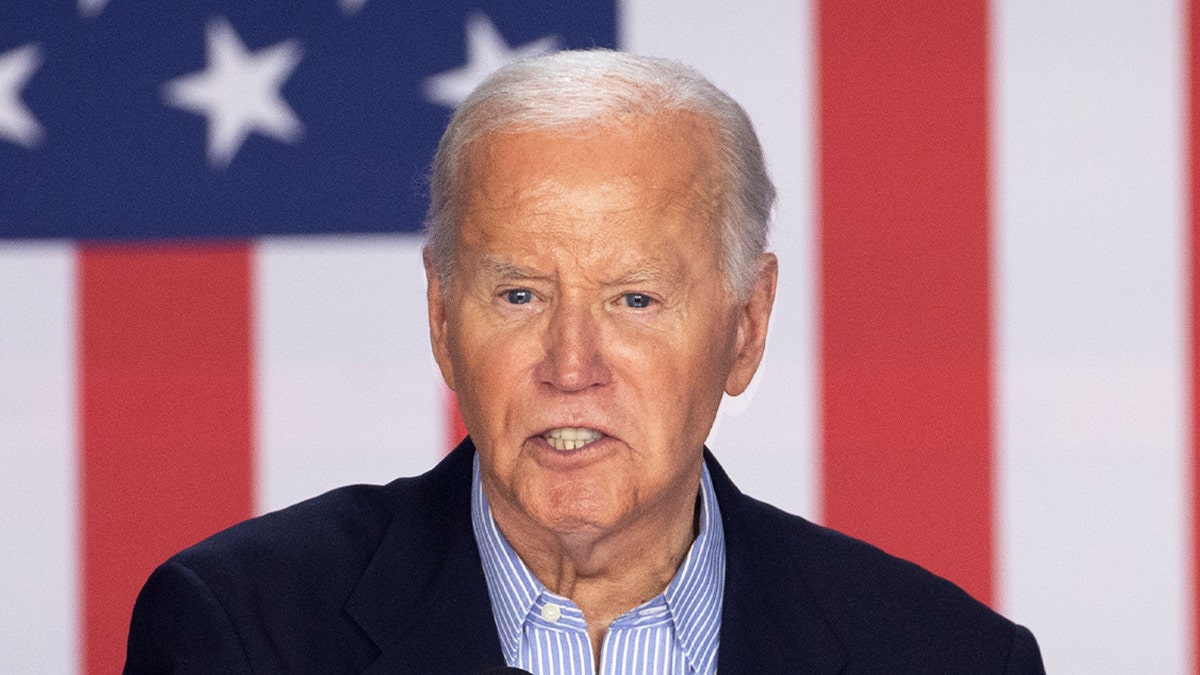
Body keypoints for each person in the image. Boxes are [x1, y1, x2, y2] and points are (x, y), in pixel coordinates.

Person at [124, 49, 1044, 674]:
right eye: (520, 295)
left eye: (633, 299)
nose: (573, 364)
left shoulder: (944, 654)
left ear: (747, 325)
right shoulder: (240, 631)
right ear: (442, 317)